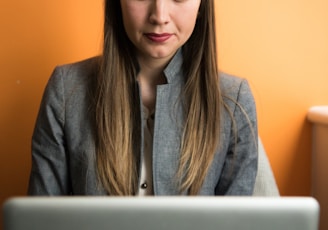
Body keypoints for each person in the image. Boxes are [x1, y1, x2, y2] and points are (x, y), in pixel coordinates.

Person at [28, 0, 258, 196]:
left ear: (202, 5)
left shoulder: (235, 101)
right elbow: (39, 222)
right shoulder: (65, 90)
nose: (159, 16)